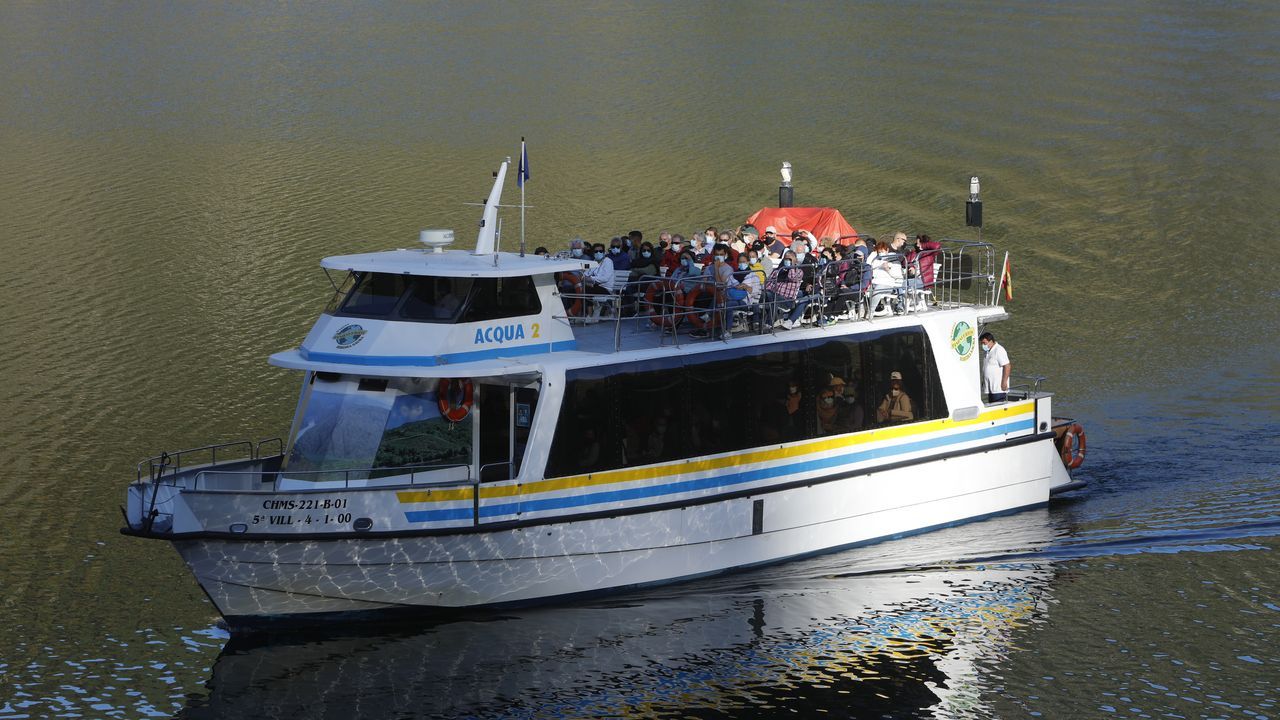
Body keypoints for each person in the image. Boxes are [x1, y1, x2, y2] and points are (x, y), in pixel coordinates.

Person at [980, 332, 1011, 403]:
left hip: (998, 388)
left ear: (990, 341)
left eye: (984, 343)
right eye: (982, 343)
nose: (983, 345)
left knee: (998, 408)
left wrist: (1004, 382)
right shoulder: (988, 351)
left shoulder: (999, 350)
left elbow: (1007, 366)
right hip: (990, 388)